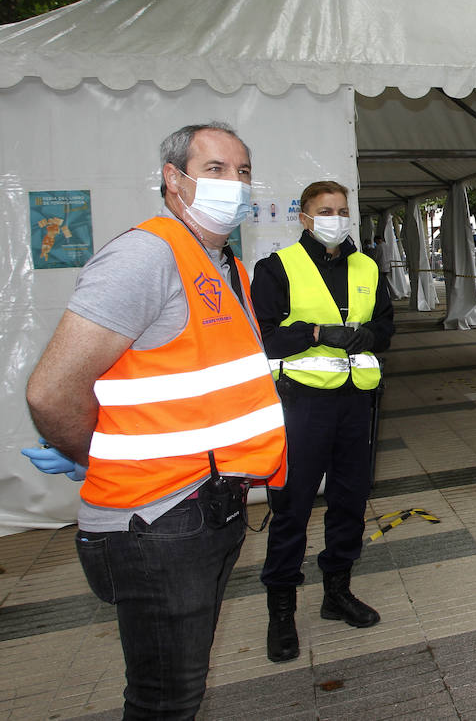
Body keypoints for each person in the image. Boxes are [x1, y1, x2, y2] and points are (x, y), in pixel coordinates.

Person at [24, 122, 287, 719]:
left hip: (207, 506)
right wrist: (94, 453)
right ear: (174, 180)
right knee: (165, 701)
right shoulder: (148, 254)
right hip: (156, 520)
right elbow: (51, 392)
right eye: (215, 169)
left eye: (243, 172)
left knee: (178, 692)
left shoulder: (224, 267)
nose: (235, 184)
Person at [252, 181, 394, 662]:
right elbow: (265, 338)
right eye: (324, 210)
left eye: (342, 209)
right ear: (305, 217)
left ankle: (337, 592)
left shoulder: (368, 267)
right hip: (303, 406)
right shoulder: (276, 268)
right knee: (291, 506)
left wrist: (369, 334)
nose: (335, 217)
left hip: (358, 403)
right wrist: (316, 333)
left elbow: (388, 328)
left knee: (350, 502)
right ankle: (281, 611)